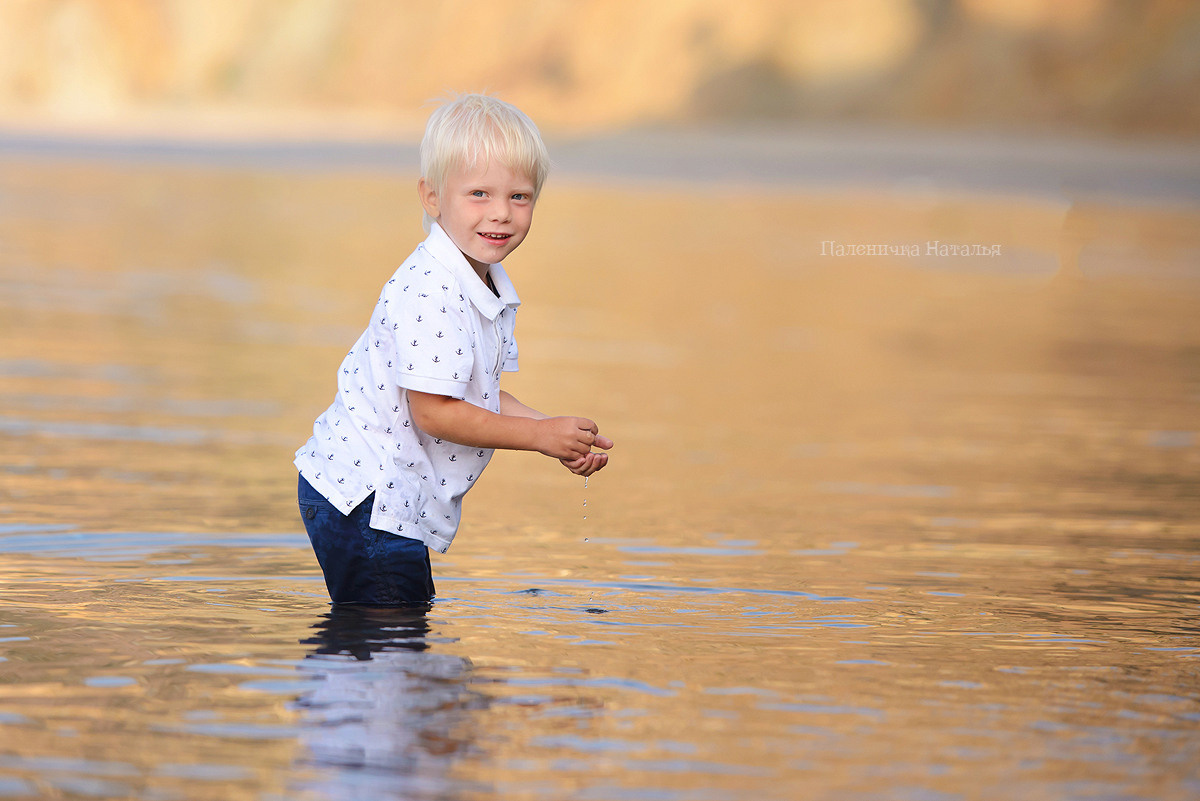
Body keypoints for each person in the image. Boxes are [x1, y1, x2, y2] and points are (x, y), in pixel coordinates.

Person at [295, 93, 612, 607]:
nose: (501, 214)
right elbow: (435, 412)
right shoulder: (432, 289)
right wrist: (536, 437)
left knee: (399, 634)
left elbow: (477, 394)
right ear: (432, 197)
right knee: (389, 641)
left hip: (384, 497)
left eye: (520, 197)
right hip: (365, 497)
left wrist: (554, 431)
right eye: (479, 194)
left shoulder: (481, 284)